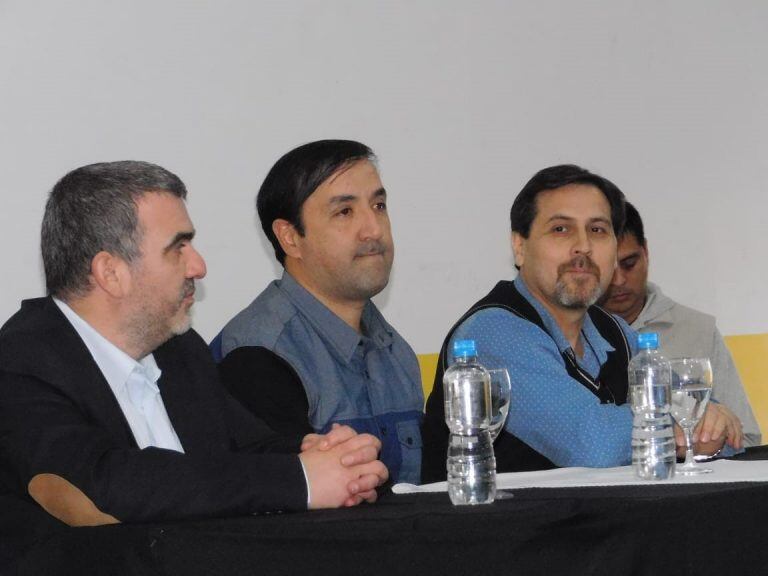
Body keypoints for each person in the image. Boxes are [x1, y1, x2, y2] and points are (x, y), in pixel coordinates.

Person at [0, 161, 388, 555]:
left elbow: (247, 450)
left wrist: (324, 456)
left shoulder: (180, 349)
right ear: (110, 272)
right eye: (178, 248)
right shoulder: (18, 364)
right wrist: (298, 478)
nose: (198, 267)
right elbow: (103, 485)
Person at [421, 164, 743, 482]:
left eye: (598, 230)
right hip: (498, 517)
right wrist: (682, 424)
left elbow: (722, 433)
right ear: (520, 247)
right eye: (561, 229)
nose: (583, 246)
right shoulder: (492, 332)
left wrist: (701, 426)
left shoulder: (613, 331)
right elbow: (595, 444)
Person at [214, 140, 423, 484]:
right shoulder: (257, 357)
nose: (373, 229)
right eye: (345, 212)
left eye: (379, 205)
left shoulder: (395, 350)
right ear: (290, 238)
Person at [599, 201, 761, 446]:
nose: (619, 280)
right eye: (607, 269)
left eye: (629, 263)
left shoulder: (699, 329)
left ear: (646, 252)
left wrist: (706, 441)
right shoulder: (570, 334)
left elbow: (746, 440)